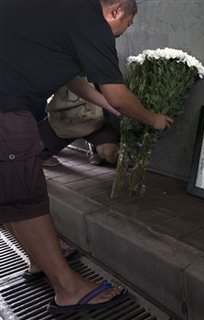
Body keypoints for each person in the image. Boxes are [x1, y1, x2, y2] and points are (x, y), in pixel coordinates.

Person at [0, 0, 173, 315]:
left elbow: (73, 79)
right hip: (5, 108)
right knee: (25, 196)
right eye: (129, 24)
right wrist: (154, 119)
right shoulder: (91, 20)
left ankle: (39, 258)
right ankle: (69, 289)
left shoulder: (65, 12)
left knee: (14, 190)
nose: (125, 31)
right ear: (117, 10)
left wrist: (107, 105)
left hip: (9, 102)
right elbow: (119, 93)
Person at [39, 83, 121, 167]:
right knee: (33, 150)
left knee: (110, 154)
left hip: (93, 121)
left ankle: (97, 151)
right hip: (63, 120)